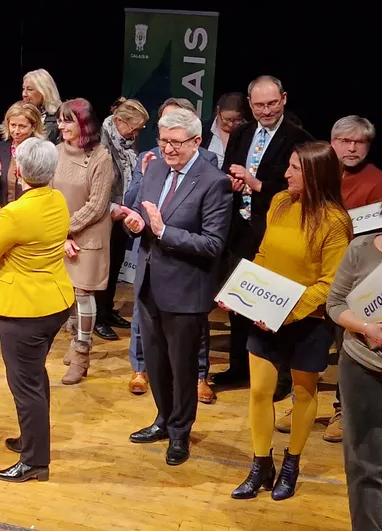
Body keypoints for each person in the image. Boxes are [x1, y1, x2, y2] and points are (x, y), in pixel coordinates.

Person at [224, 141, 352, 501]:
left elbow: (329, 284)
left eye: (295, 168)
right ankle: (260, 464)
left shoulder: (335, 221)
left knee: (303, 393)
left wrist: (284, 314)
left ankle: (291, 463)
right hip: (266, 317)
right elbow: (264, 254)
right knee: (260, 392)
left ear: (314, 174)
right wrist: (243, 294)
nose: (286, 173)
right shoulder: (280, 202)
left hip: (307, 322)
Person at [119, 107, 232, 466]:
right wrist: (133, 222)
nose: (167, 149)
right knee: (155, 361)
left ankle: (180, 433)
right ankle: (162, 420)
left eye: (176, 143)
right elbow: (138, 215)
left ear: (197, 141)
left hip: (185, 290)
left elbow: (213, 244)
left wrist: (163, 231)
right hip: (149, 283)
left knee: (182, 367)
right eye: (163, 141)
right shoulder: (153, 169)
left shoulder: (214, 182)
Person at [0, 138, 73, 482]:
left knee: (25, 385)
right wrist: (0, 218)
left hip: (24, 312)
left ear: (17, 170)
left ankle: (35, 462)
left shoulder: (15, 213)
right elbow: (25, 235)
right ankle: (32, 441)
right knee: (35, 376)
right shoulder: (56, 199)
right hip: (54, 304)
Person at [212, 76, 313, 388]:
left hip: (276, 231)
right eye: (259, 105)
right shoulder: (241, 132)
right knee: (240, 301)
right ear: (250, 104)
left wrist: (255, 185)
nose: (266, 110)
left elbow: (298, 188)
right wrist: (232, 182)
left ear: (283, 99)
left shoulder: (299, 138)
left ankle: (280, 377)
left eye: (272, 103)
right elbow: (228, 169)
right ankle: (239, 368)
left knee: (273, 305)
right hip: (240, 228)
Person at [325, 183, 382, 531]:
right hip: (360, 368)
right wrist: (366, 328)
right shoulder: (360, 248)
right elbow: (335, 304)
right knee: (362, 463)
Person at [323, 114, 382, 443]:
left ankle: (342, 409)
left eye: (360, 142)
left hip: (350, 281)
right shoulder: (320, 170)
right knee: (308, 346)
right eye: (345, 141)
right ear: (333, 142)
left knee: (345, 348)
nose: (352, 148)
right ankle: (301, 400)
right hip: (315, 273)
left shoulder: (380, 183)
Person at [52, 98, 115, 384]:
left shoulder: (101, 156)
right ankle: (73, 337)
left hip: (88, 233)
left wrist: (67, 230)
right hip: (61, 232)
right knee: (66, 291)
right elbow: (50, 195)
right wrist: (58, 232)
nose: (61, 125)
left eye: (68, 120)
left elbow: (97, 204)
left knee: (83, 293)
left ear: (83, 124)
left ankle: (82, 353)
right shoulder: (56, 152)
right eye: (60, 120)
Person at [95, 98, 149, 342]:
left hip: (120, 215)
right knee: (102, 267)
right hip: (103, 213)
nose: (137, 134)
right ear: (118, 121)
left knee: (115, 265)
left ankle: (107, 311)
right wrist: (112, 208)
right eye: (134, 128)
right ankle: (97, 318)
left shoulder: (125, 142)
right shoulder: (100, 142)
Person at [0, 102, 45, 207]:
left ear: (33, 126)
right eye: (13, 125)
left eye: (22, 126)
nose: (16, 131)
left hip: (30, 212)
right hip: (4, 213)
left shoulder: (41, 151)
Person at [201, 93, 248, 168]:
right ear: (218, 111)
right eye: (227, 119)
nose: (230, 124)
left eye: (237, 120)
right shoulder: (202, 129)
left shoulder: (248, 132)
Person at [22, 69, 63, 145]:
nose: (24, 94)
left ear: (44, 91)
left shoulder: (61, 118)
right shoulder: (21, 115)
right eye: (23, 89)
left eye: (29, 89)